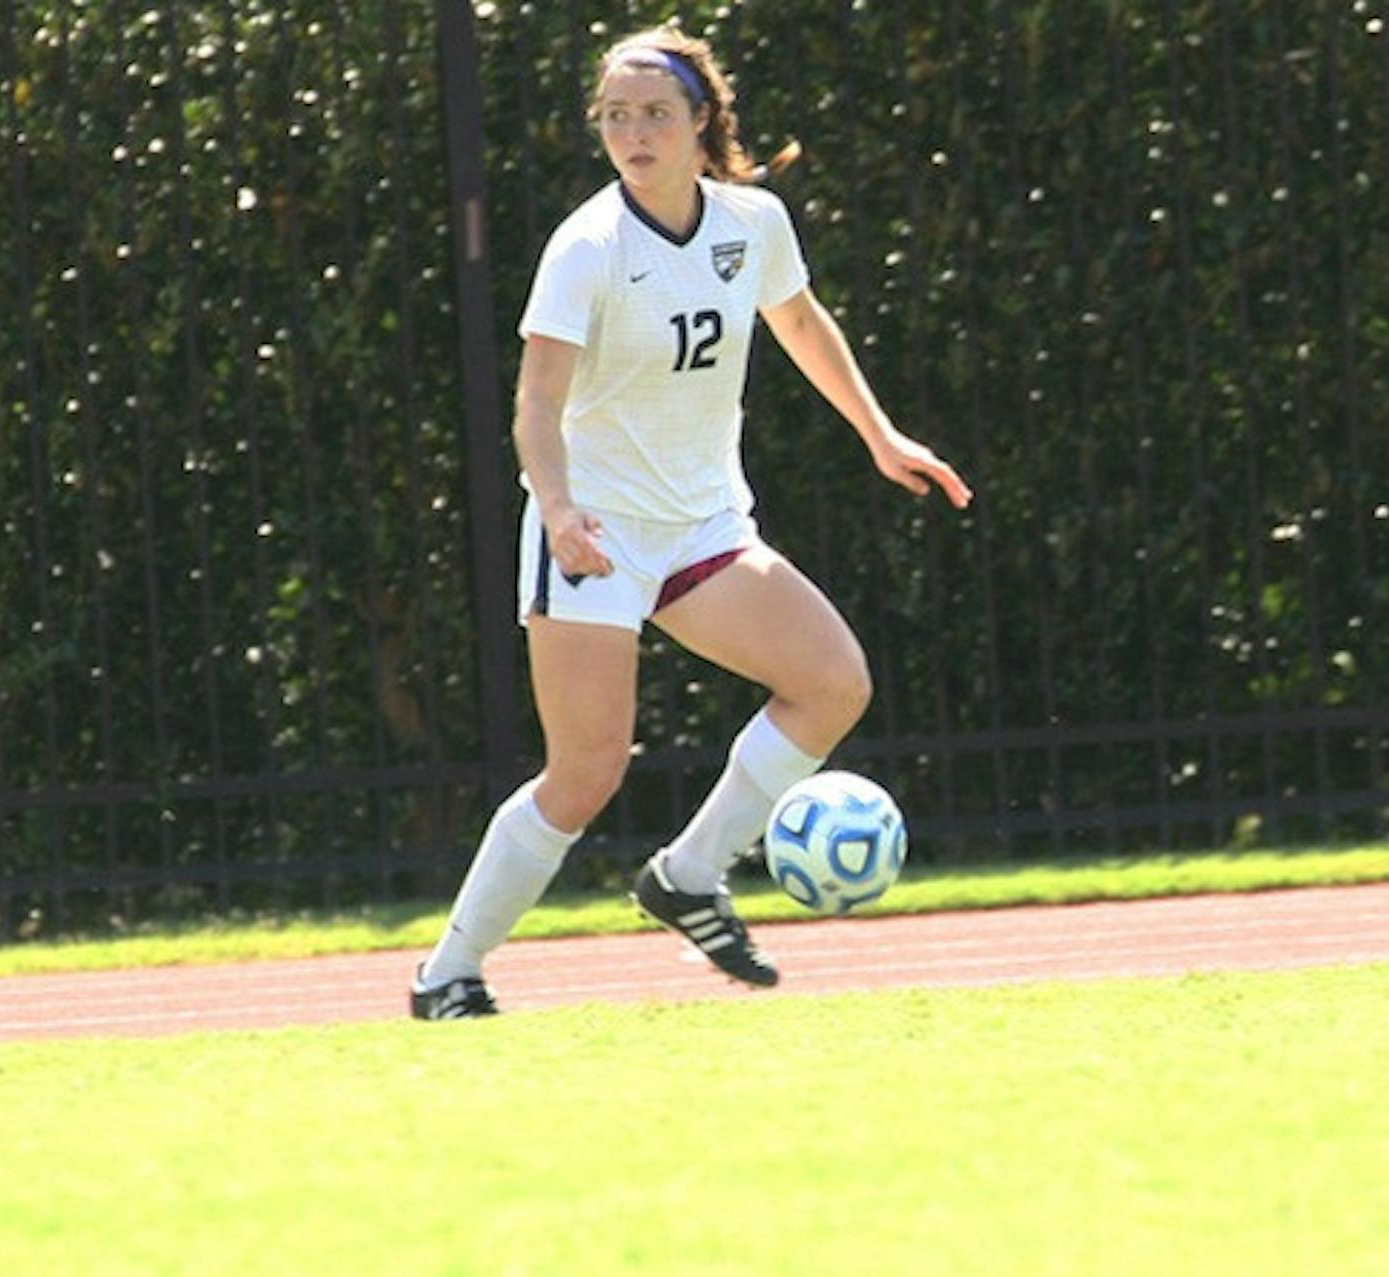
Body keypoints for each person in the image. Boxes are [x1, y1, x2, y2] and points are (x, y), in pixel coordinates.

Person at [410, 26, 971, 1019]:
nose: (632, 132)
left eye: (653, 113)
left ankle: (688, 872)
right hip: (594, 529)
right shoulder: (587, 246)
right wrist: (557, 505)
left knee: (831, 683)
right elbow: (535, 402)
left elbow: (797, 322)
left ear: (699, 121)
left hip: (702, 525)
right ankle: (448, 971)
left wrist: (878, 434)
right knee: (585, 769)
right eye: (614, 115)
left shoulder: (749, 223)